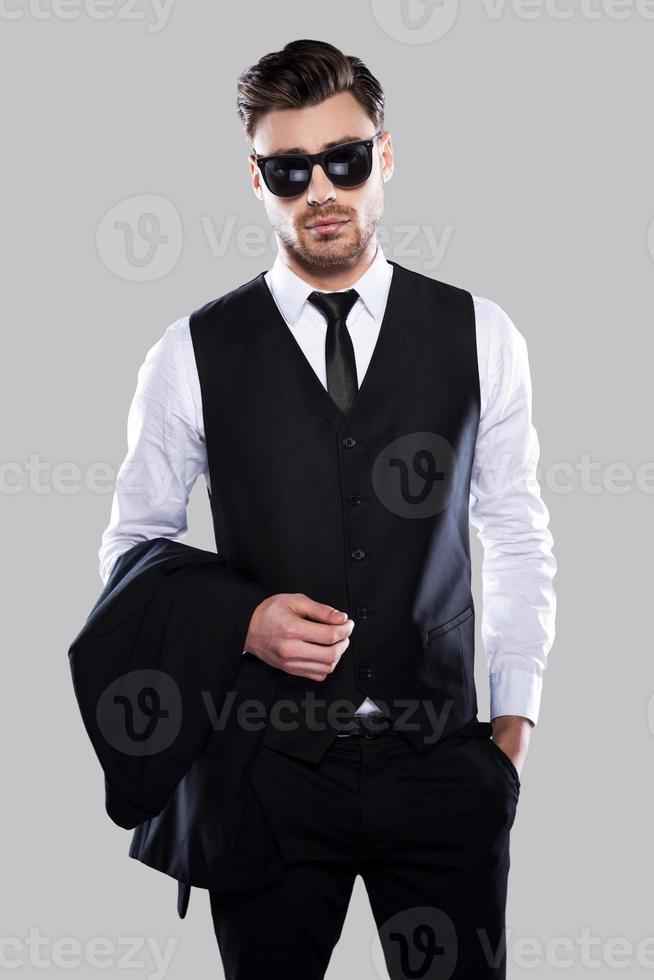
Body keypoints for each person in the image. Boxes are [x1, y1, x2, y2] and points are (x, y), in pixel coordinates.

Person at [99, 38, 557, 980]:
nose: (321, 190)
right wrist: (242, 621)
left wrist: (510, 733)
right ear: (256, 178)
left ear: (384, 156)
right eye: (289, 168)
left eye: (344, 159)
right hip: (264, 775)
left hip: (443, 764)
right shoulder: (188, 353)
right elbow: (132, 550)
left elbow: (514, 530)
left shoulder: (482, 334)